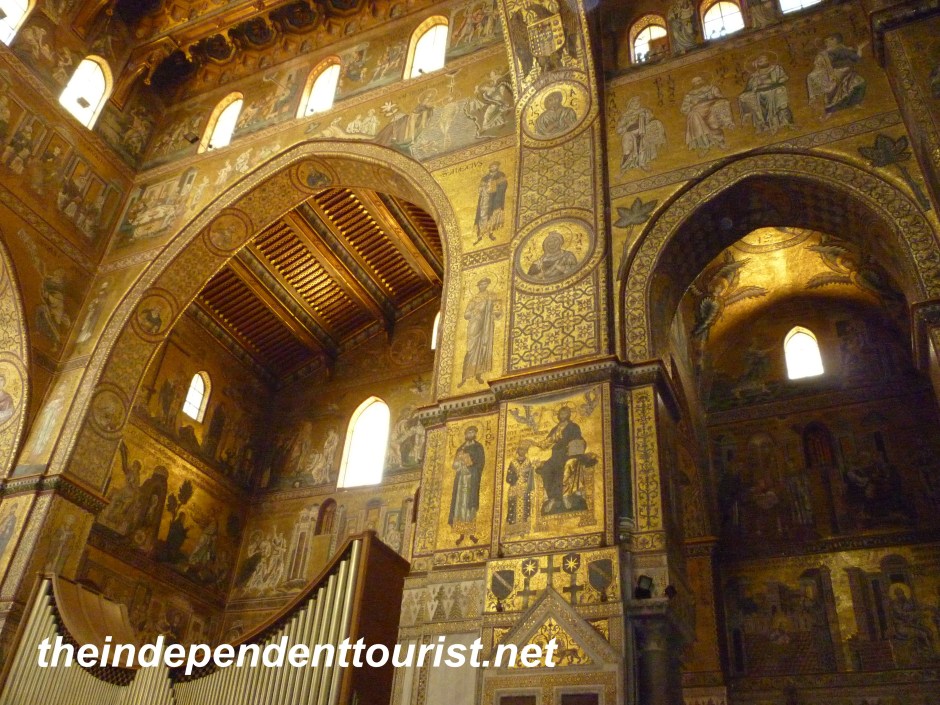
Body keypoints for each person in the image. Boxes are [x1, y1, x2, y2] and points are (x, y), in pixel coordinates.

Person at [535, 407, 583, 514]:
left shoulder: (573, 427)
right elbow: (546, 443)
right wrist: (534, 444)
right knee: (546, 469)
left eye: (565, 413)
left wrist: (570, 447)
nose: (562, 415)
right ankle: (552, 497)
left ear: (569, 414)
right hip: (555, 456)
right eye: (561, 413)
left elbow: (578, 441)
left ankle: (565, 496)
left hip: (568, 455)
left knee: (566, 468)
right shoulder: (555, 429)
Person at [806, 33, 867, 117]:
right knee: (835, 91)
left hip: (846, 72)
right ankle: (830, 110)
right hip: (834, 74)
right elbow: (820, 64)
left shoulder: (842, 49)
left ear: (836, 40)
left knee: (859, 84)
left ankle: (855, 103)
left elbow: (855, 58)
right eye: (825, 41)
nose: (826, 42)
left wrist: (859, 49)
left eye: (829, 40)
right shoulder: (825, 53)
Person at [460, 278, 502, 386]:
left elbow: (497, 312)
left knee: (483, 346)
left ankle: (478, 374)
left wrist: (497, 312)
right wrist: (474, 313)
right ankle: (464, 376)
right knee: (471, 349)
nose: (483, 286)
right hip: (474, 325)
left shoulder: (491, 296)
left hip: (486, 326)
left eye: (485, 284)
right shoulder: (474, 299)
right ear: (478, 286)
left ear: (487, 285)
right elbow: (466, 314)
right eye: (481, 284)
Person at [739, 55, 794, 134]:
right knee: (746, 97)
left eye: (763, 60)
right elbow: (749, 88)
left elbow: (785, 77)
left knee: (780, 92)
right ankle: (764, 124)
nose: (761, 62)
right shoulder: (755, 74)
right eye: (759, 61)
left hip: (774, 89)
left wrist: (776, 82)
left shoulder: (776, 68)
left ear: (768, 61)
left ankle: (785, 121)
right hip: (759, 92)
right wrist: (755, 78)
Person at [448, 426, 485, 544]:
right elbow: (454, 465)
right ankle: (461, 534)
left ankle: (471, 533)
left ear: (475, 434)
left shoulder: (478, 447)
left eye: (473, 432)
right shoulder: (461, 448)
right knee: (460, 504)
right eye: (469, 432)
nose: (471, 434)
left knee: (470, 505)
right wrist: (460, 461)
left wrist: (471, 464)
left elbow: (481, 463)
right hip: (461, 481)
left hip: (472, 479)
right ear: (465, 434)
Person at [681, 76, 734, 152]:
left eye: (699, 81)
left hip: (711, 108)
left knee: (712, 122)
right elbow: (684, 108)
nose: (698, 83)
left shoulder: (712, 88)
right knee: (693, 115)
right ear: (693, 84)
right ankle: (704, 145)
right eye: (695, 82)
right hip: (698, 112)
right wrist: (690, 106)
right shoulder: (689, 95)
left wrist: (716, 102)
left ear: (703, 80)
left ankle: (720, 142)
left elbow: (721, 98)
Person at [617, 97, 666, 172]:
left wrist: (646, 118)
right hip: (631, 133)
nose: (637, 104)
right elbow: (619, 130)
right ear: (630, 105)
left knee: (644, 140)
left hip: (643, 131)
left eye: (638, 102)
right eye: (634, 102)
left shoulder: (644, 111)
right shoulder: (625, 116)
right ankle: (626, 163)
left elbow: (651, 119)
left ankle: (642, 162)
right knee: (627, 142)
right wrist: (628, 125)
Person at [474, 162, 508, 244]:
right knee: (482, 216)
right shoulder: (485, 178)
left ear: (497, 167)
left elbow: (503, 185)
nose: (493, 167)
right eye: (492, 166)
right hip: (485, 200)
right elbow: (481, 188)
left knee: (493, 215)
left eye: (495, 166)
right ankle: (480, 234)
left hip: (495, 199)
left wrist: (494, 186)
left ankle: (490, 233)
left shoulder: (500, 175)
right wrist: (483, 188)